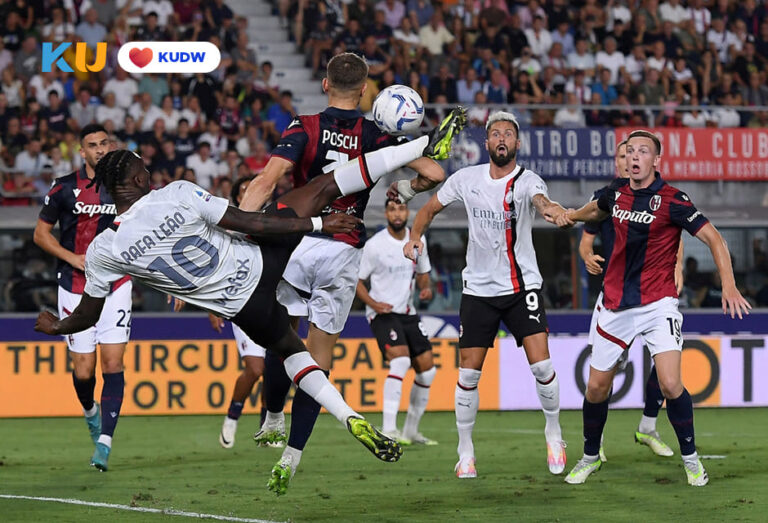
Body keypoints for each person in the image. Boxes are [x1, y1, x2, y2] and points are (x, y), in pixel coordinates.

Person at [34, 108, 466, 486]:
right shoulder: (175, 193)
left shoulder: (104, 250)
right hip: (257, 262)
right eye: (143, 166)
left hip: (241, 308)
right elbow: (252, 223)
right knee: (324, 186)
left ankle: (348, 415)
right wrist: (317, 226)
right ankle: (423, 144)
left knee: (291, 350)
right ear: (139, 178)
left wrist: (58, 326)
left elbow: (89, 313)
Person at [238, 52, 451, 492]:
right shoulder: (377, 135)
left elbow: (266, 181)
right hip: (343, 249)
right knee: (320, 360)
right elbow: (435, 171)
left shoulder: (304, 127)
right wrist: (407, 184)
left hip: (297, 241)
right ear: (366, 88)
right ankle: (292, 457)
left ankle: (273, 417)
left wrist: (238, 229)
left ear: (324, 84)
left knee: (283, 338)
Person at [555, 130, 751, 487]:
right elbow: (591, 212)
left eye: (643, 151)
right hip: (615, 305)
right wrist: (570, 215)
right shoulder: (613, 194)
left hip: (658, 303)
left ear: (656, 160)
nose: (634, 156)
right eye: (630, 151)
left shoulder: (674, 200)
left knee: (671, 381)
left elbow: (714, 238)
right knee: (596, 388)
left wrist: (729, 284)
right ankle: (589, 456)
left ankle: (692, 460)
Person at [404, 111, 569, 479]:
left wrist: (552, 210)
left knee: (542, 366)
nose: (501, 139)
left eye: (508, 134)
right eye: (495, 133)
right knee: (468, 376)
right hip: (478, 290)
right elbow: (429, 209)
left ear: (517, 143)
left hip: (520, 286)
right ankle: (465, 452)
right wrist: (415, 237)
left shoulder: (527, 180)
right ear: (486, 143)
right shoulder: (466, 179)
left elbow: (541, 201)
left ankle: (554, 434)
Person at [33, 124, 132, 471]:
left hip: (116, 284)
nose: (100, 149)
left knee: (113, 364)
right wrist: (71, 257)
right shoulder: (63, 188)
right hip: (75, 287)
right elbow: (40, 234)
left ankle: (104, 442)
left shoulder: (125, 186)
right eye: (93, 145)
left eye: (105, 143)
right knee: (84, 369)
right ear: (82, 151)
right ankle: (90, 411)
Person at [579, 139, 681, 462]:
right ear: (617, 162)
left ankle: (648, 425)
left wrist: (677, 266)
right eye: (624, 155)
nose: (629, 160)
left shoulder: (658, 198)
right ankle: (597, 441)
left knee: (665, 362)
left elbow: (671, 234)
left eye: (634, 154)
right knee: (604, 375)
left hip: (654, 292)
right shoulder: (607, 197)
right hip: (614, 298)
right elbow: (585, 239)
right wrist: (587, 257)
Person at [357, 198, 437, 446]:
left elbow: (423, 277)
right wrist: (372, 304)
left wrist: (426, 289)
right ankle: (389, 429)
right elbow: (357, 280)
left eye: (401, 208)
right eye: (392, 208)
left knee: (428, 370)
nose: (397, 213)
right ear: (386, 213)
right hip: (382, 313)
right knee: (401, 360)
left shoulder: (417, 243)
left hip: (407, 312)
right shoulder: (374, 245)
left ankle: (411, 431)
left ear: (408, 212)